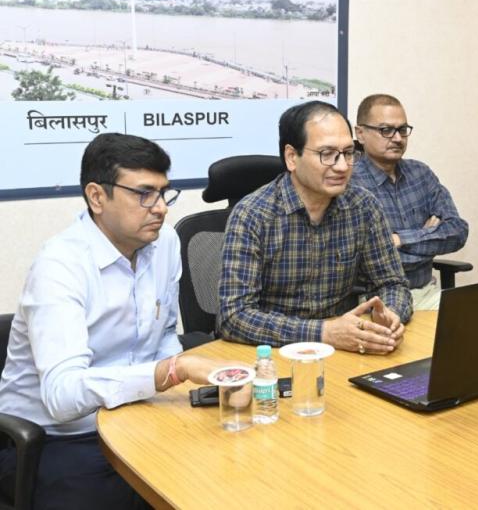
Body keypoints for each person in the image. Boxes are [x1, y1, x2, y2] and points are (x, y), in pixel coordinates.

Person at [0, 133, 225, 509]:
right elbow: (62, 396)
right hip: (55, 439)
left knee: (218, 469)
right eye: (144, 194)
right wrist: (168, 372)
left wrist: (183, 390)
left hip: (136, 417)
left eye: (163, 193)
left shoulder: (165, 243)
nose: (160, 208)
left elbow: (164, 336)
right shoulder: (60, 267)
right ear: (97, 197)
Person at [217, 101, 412, 354]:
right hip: (272, 353)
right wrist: (323, 333)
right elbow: (234, 317)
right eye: (327, 154)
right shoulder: (253, 215)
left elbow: (392, 284)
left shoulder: (363, 207)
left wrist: (389, 314)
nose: (342, 166)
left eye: (348, 153)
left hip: (345, 350)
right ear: (292, 157)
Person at [350, 94, 468, 310]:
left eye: (402, 129)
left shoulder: (421, 174)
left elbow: (458, 232)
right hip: (375, 301)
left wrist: (399, 239)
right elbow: (362, 260)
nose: (397, 138)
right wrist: (427, 238)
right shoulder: (348, 182)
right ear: (360, 133)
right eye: (386, 130)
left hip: (427, 292)